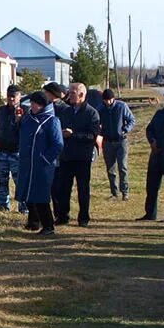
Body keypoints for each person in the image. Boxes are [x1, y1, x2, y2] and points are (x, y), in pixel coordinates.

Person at [52, 82, 101, 226]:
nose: (69, 95)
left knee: (83, 189)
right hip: (66, 156)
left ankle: (83, 218)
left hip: (82, 157)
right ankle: (62, 216)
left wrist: (73, 135)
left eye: (72, 93)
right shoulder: (66, 111)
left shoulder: (91, 113)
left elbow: (93, 136)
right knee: (63, 188)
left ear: (81, 95)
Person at [16, 90, 64, 236]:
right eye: (31, 103)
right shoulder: (28, 118)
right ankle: (33, 222)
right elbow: (21, 134)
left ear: (42, 105)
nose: (32, 106)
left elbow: (58, 144)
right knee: (29, 195)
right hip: (27, 163)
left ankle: (48, 225)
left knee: (40, 196)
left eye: (35, 103)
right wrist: (18, 121)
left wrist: (45, 159)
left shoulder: (52, 121)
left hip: (42, 166)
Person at [139, 90, 164, 221]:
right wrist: (152, 141)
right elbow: (150, 129)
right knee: (152, 186)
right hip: (156, 154)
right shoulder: (159, 114)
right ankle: (150, 213)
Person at [0, 85, 23, 212]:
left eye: (14, 96)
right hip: (2, 151)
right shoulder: (1, 110)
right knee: (1, 181)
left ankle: (24, 208)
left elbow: (27, 129)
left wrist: (19, 120)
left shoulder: (25, 110)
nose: (11, 99)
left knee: (20, 182)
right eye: (9, 96)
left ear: (19, 96)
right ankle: (2, 206)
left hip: (17, 152)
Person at [99, 87, 136, 200]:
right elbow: (96, 121)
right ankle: (114, 193)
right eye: (105, 100)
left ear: (113, 99)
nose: (107, 102)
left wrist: (125, 129)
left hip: (121, 141)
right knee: (110, 169)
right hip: (107, 141)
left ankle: (125, 192)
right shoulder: (100, 108)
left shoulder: (121, 106)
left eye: (109, 100)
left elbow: (131, 120)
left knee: (122, 167)